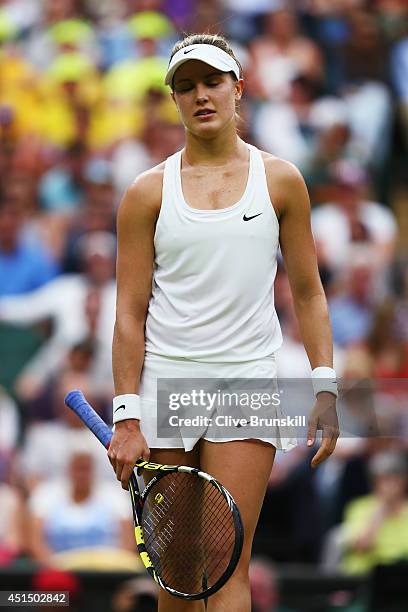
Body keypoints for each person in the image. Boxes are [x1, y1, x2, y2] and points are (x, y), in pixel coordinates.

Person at [108, 33, 339, 612]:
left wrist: (325, 384)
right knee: (177, 574)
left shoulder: (281, 180)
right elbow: (129, 313)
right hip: (165, 383)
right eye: (186, 87)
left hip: (246, 381)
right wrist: (127, 414)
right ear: (175, 101)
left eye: (212, 82)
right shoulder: (145, 193)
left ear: (238, 89)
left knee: (228, 563)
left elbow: (309, 293)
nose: (200, 96)